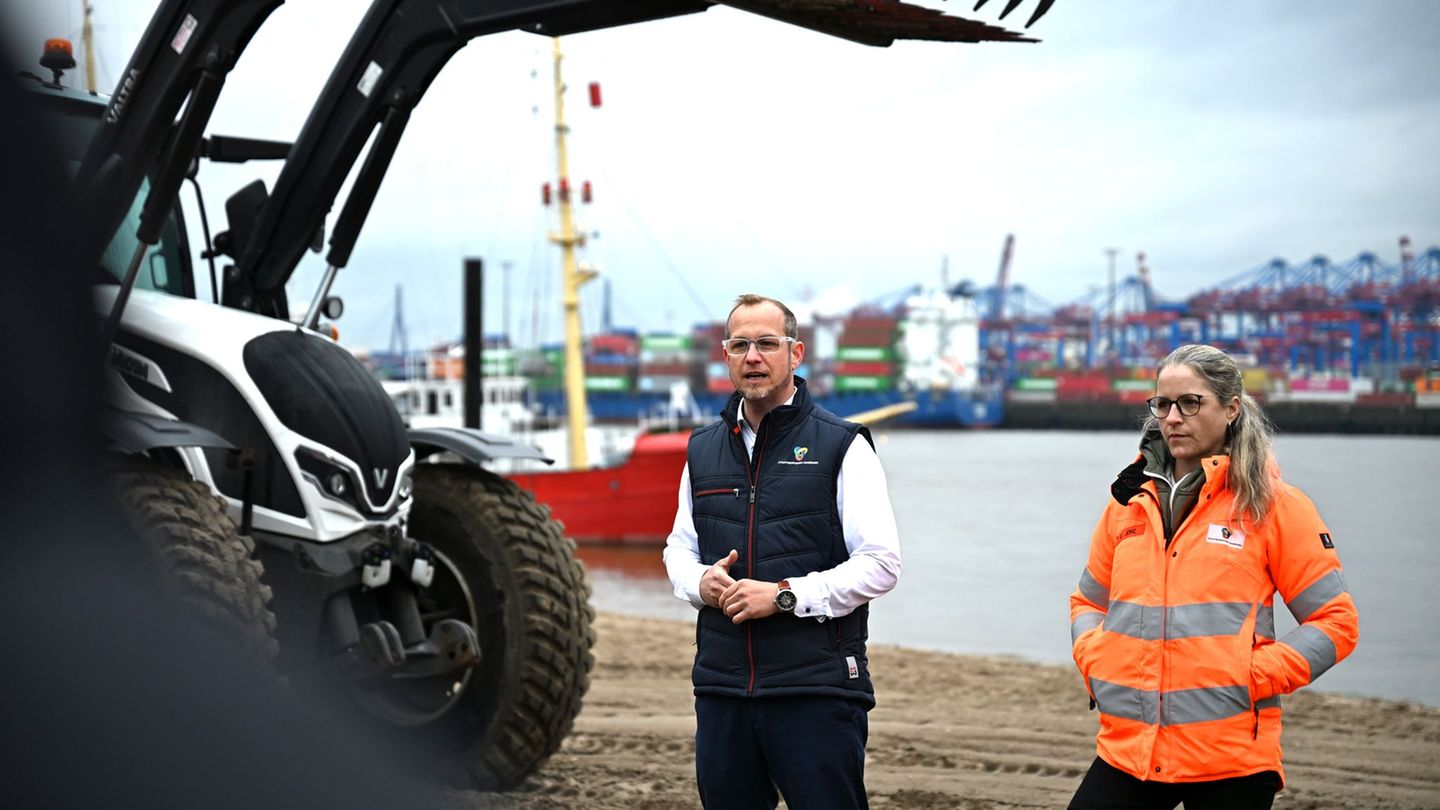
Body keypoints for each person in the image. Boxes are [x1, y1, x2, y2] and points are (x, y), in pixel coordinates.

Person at [1067, 344, 1360, 809]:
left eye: (1190, 402)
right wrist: (1094, 656)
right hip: (1129, 752)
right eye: (1163, 404)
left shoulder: (1273, 505)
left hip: (1230, 758)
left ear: (1231, 409)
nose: (1173, 417)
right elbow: (1088, 603)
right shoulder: (1127, 503)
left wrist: (1251, 676)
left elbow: (1335, 621)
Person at [662, 294, 901, 810]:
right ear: (725, 356)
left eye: (767, 343)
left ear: (796, 353)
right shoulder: (702, 448)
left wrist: (786, 596)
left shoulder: (843, 445)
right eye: (741, 344)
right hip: (723, 689)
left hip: (815, 691)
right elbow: (679, 547)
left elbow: (881, 564)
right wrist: (698, 583)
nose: (753, 356)